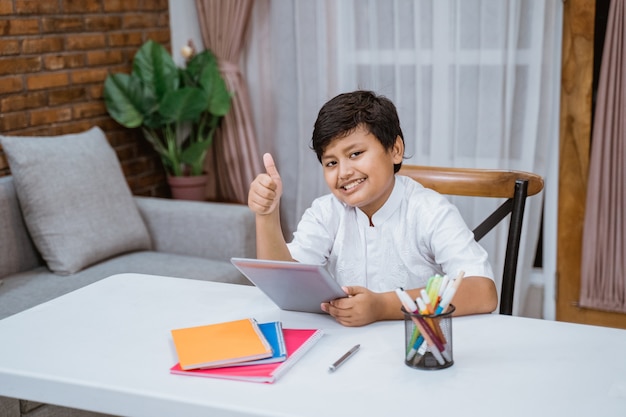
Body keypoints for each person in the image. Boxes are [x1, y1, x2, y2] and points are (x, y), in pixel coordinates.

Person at [248, 90, 498, 327]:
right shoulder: (326, 212)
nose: (344, 172)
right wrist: (267, 215)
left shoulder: (429, 210)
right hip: (346, 346)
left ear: (395, 150)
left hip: (417, 350)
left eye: (355, 153)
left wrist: (381, 306)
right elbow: (284, 285)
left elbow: (482, 291)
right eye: (331, 162)